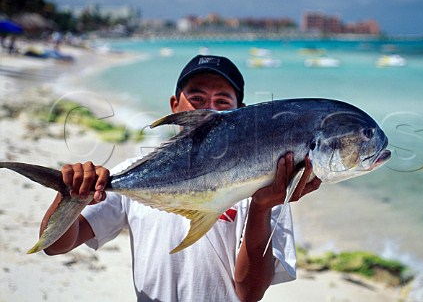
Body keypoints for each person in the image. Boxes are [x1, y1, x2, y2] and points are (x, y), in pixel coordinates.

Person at [40, 55, 321, 301]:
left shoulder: (268, 186)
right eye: (197, 99)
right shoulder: (135, 170)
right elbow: (56, 245)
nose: (209, 109)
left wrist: (261, 207)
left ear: (242, 113)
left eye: (222, 101)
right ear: (175, 106)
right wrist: (72, 194)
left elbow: (249, 293)